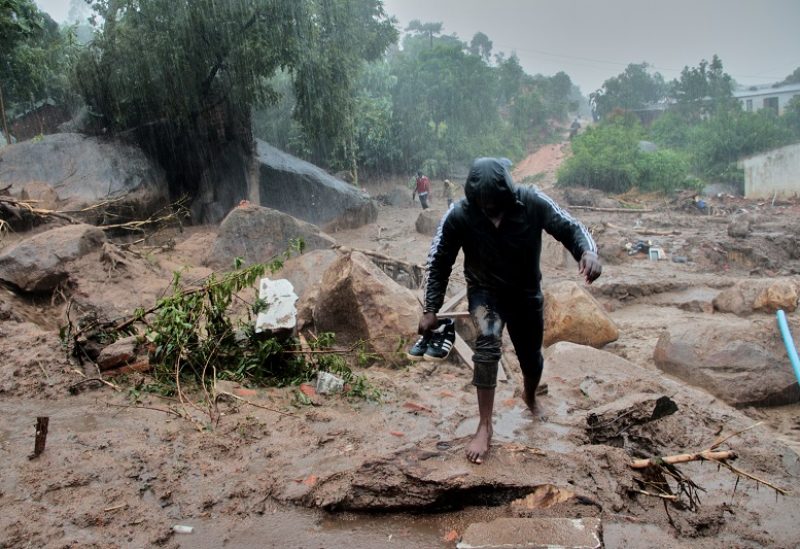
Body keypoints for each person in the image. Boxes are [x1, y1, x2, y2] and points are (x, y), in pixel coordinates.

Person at [418, 157, 602, 464]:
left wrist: (588, 252)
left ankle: (529, 395)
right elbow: (439, 260)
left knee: (532, 359)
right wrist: (431, 308)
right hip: (484, 293)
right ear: (473, 198)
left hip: (526, 293)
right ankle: (484, 425)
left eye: (497, 204)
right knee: (487, 344)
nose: (490, 211)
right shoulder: (460, 213)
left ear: (509, 194)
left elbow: (570, 226)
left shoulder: (531, 201)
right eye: (484, 205)